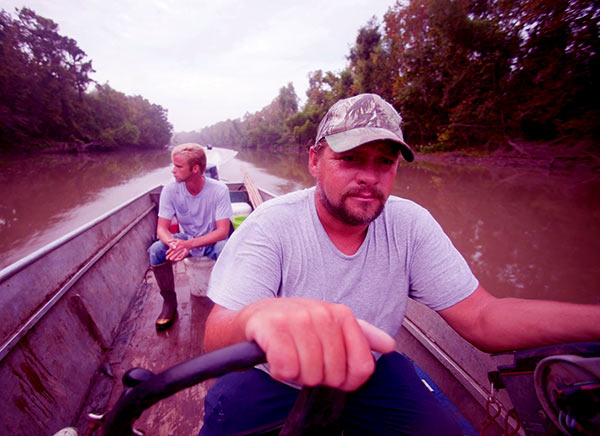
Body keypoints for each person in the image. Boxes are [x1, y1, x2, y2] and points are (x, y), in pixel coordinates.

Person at [200, 94, 600, 435]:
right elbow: (216, 336)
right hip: (274, 378)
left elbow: (482, 317)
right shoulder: (271, 224)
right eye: (350, 158)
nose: (369, 177)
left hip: (371, 372)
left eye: (384, 161)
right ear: (314, 161)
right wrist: (257, 317)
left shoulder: (410, 225)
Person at [148, 143, 233, 330]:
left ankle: (225, 302)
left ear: (195, 169)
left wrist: (189, 245)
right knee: (155, 251)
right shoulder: (170, 190)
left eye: (178, 167)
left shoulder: (219, 190)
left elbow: (222, 231)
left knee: (226, 250)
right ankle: (169, 303)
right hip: (185, 237)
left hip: (211, 240)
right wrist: (175, 243)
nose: (173, 171)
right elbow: (161, 229)